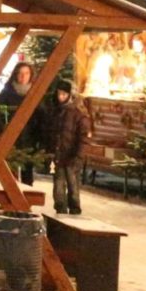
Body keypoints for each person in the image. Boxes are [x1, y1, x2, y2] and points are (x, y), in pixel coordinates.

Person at [50, 79, 92, 215]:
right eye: (59, 94)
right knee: (58, 185)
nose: (61, 97)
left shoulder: (78, 113)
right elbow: (52, 132)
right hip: (59, 155)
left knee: (73, 184)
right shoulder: (57, 111)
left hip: (72, 156)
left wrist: (78, 155)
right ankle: (60, 208)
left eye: (64, 94)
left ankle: (74, 208)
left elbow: (83, 137)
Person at [0, 61, 40, 184]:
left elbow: (43, 116)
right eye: (20, 73)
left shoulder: (36, 93)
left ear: (31, 75)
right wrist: (3, 130)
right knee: (10, 173)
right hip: (11, 139)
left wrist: (39, 136)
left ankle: (25, 201)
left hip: (29, 139)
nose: (23, 76)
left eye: (26, 73)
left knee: (27, 174)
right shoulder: (7, 93)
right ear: (15, 75)